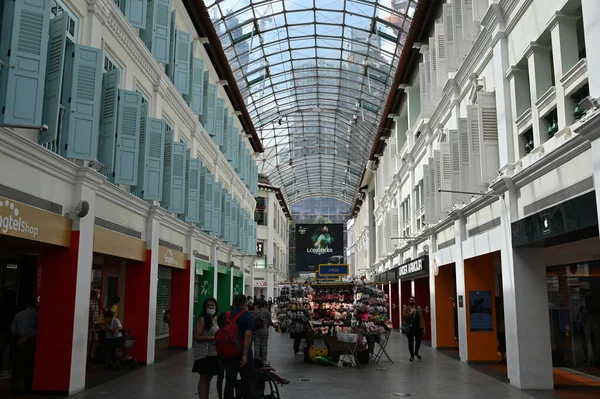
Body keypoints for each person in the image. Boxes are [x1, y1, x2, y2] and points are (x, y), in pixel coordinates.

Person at [222, 294, 255, 399]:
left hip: (229, 353)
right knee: (247, 382)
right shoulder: (249, 316)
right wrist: (244, 355)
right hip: (243, 354)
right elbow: (248, 335)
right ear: (245, 303)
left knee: (229, 382)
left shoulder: (226, 315)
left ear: (234, 303)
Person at [193, 298, 222, 399]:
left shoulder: (214, 319)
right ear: (205, 308)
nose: (210, 307)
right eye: (208, 306)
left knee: (208, 378)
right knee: (204, 378)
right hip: (204, 353)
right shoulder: (203, 319)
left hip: (212, 353)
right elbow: (197, 336)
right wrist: (213, 338)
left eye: (212, 305)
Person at [10, 297, 38, 394]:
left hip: (19, 341)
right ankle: (27, 388)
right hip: (31, 342)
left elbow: (13, 330)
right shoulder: (37, 316)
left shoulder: (18, 315)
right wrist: (28, 336)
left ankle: (15, 388)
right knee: (29, 366)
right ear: (35, 305)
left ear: (26, 305)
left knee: (17, 366)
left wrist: (21, 336)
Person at [402, 296, 425, 362]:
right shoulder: (406, 308)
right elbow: (404, 317)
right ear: (409, 301)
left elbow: (422, 318)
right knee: (410, 342)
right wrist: (411, 313)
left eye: (413, 300)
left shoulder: (418, 309)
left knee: (418, 341)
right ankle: (411, 355)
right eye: (410, 300)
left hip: (418, 328)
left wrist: (423, 327)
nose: (412, 301)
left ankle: (416, 352)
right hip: (410, 328)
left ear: (415, 301)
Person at [89, 289, 100, 359]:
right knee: (89, 340)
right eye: (97, 293)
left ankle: (92, 354)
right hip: (91, 324)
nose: (98, 295)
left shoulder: (96, 302)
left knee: (95, 340)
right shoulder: (90, 302)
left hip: (96, 324)